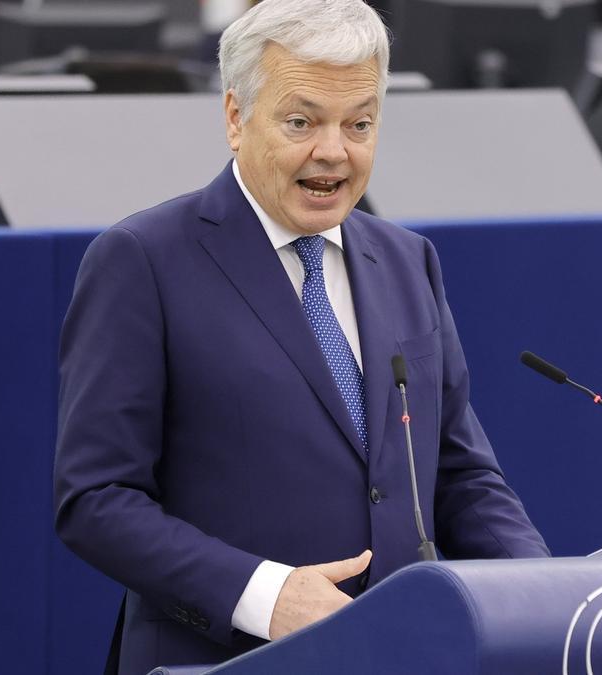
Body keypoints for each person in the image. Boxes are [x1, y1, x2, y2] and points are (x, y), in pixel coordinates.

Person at [52, 1, 550, 673]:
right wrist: (264, 593)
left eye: (360, 124)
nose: (333, 151)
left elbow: (460, 474)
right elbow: (96, 500)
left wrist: (546, 595)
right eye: (301, 121)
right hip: (221, 661)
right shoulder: (142, 260)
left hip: (399, 656)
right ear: (235, 117)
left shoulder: (407, 260)